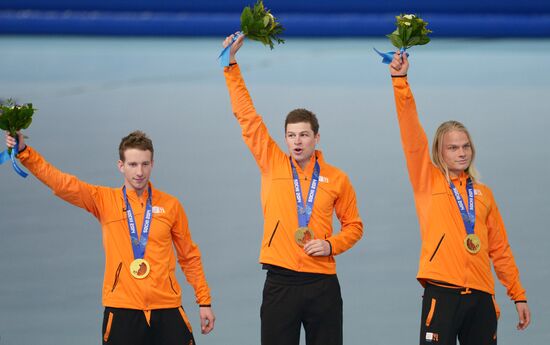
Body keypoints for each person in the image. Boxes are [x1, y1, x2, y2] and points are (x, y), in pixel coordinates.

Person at [5, 130, 215, 345]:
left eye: (145, 164)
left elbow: (189, 256)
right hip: (122, 310)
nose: (139, 172)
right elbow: (61, 183)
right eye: (133, 164)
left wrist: (204, 301)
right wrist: (24, 152)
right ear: (121, 166)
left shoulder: (171, 205)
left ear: (152, 164)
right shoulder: (104, 200)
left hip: (167, 307)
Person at [222, 33, 363, 345]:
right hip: (280, 281)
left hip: (323, 282)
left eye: (304, 135)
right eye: (291, 135)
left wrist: (331, 245)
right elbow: (247, 117)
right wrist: (231, 65)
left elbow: (354, 226)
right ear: (284, 139)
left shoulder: (337, 178)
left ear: (316, 138)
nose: (297, 141)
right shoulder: (272, 162)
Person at [389, 51, 531, 345]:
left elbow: (500, 249)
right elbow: (411, 134)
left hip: (481, 298)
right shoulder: (427, 181)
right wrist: (400, 81)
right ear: (440, 151)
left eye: (465, 146)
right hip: (442, 293)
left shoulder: (483, 194)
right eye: (453, 147)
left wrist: (517, 294)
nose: (461, 152)